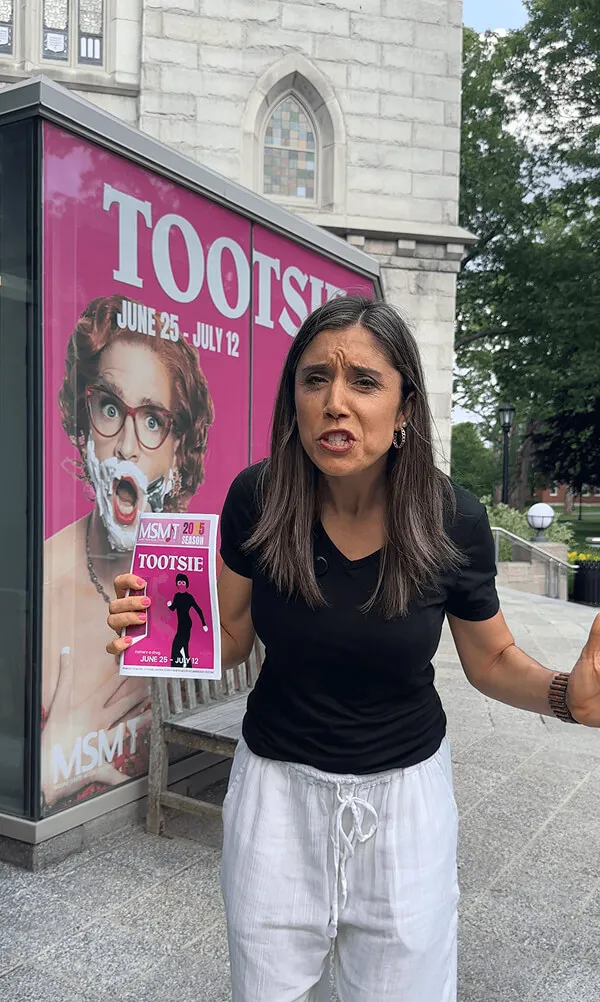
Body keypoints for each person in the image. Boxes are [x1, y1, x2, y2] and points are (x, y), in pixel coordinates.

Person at [105, 296, 600, 1002]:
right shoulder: (260, 498)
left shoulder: (450, 517)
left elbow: (490, 660)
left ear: (404, 410)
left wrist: (566, 697)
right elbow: (236, 637)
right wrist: (158, 628)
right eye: (314, 380)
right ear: (294, 400)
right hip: (275, 798)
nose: (335, 402)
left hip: (406, 808)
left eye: (364, 382)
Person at [42, 294, 214, 811]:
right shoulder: (45, 583)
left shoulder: (193, 575)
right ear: (82, 422)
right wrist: (48, 763)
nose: (126, 447)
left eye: (154, 420)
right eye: (110, 409)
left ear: (179, 452)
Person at [167, 573, 209, 668]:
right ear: (177, 584)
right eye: (179, 582)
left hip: (187, 624)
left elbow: (198, 609)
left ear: (186, 584)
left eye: (183, 582)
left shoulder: (189, 597)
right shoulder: (177, 596)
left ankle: (183, 663)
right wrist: (169, 605)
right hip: (180, 624)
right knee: (183, 645)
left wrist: (204, 624)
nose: (181, 584)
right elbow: (173, 608)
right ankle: (186, 664)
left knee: (180, 644)